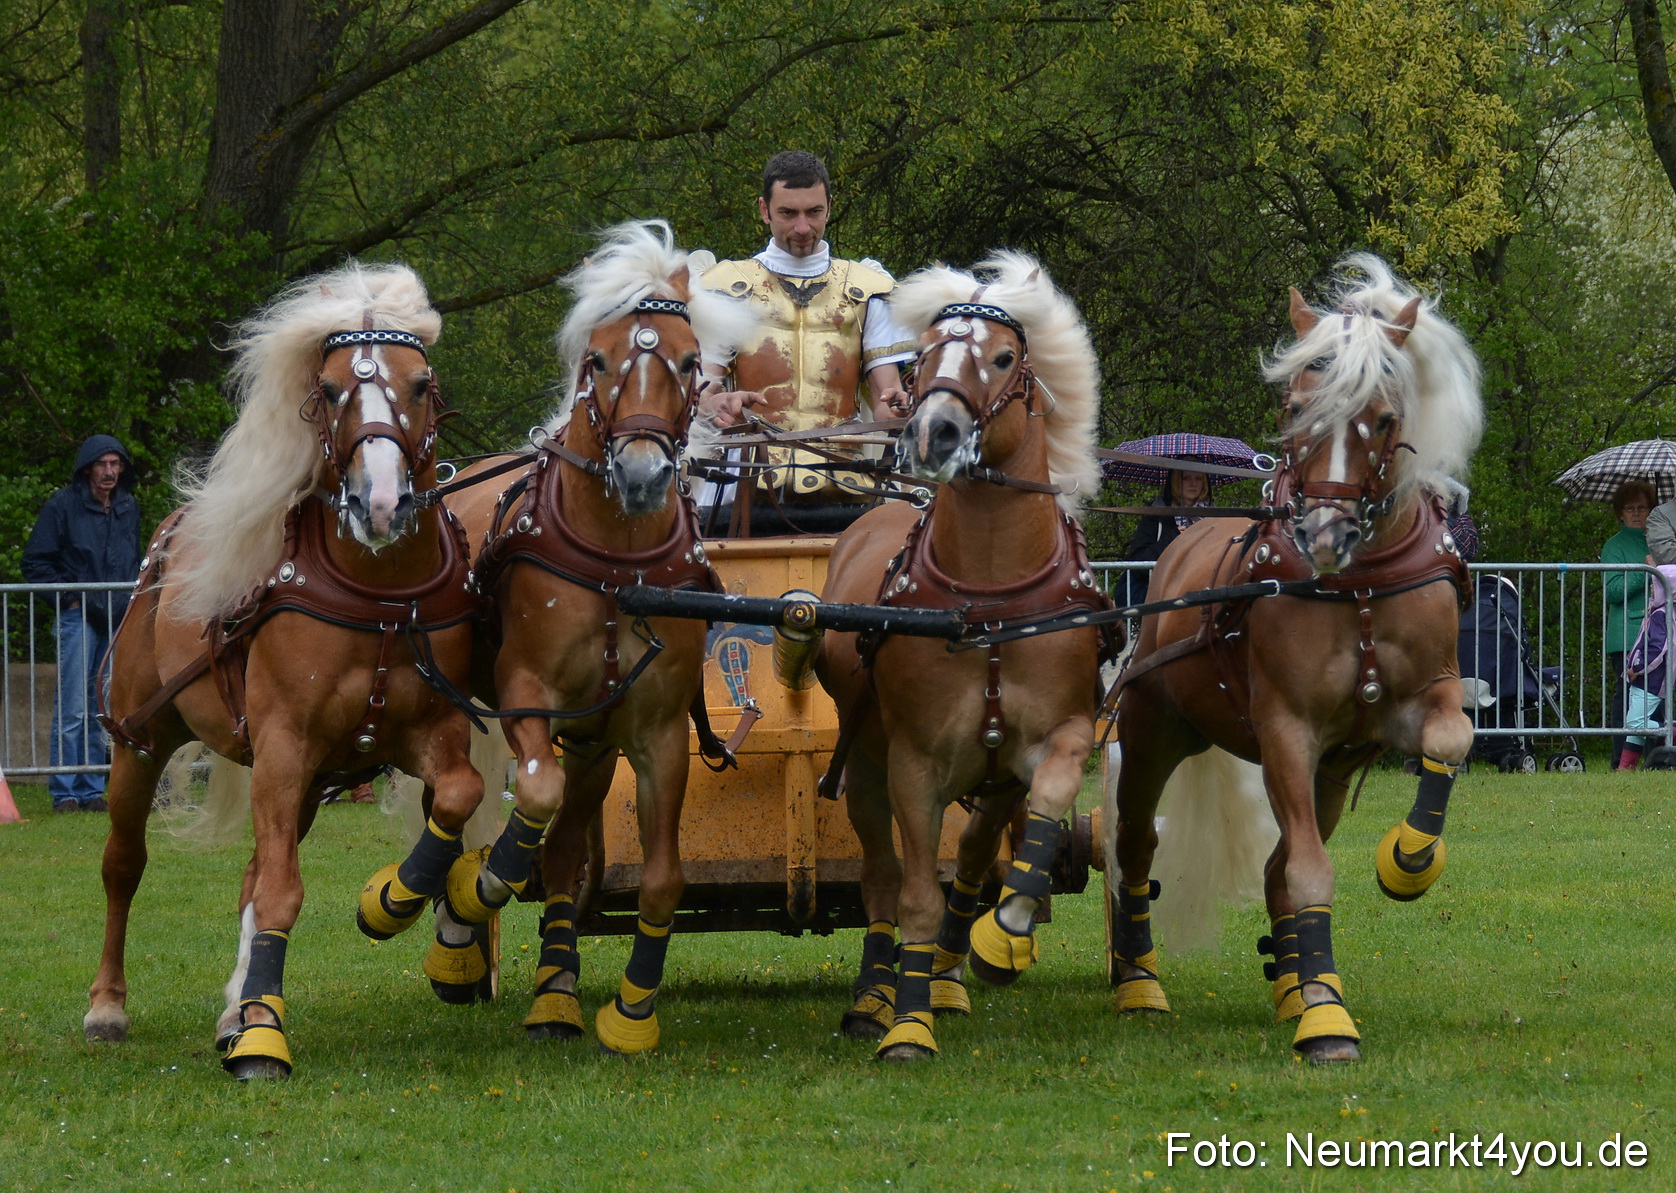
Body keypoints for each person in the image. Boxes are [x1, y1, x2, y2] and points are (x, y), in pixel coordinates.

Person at [693, 150, 918, 534]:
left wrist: (904, 408)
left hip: (848, 483)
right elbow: (701, 393)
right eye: (788, 213)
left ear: (830, 207)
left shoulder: (867, 289)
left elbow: (886, 406)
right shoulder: (726, 288)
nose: (801, 227)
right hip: (746, 488)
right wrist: (716, 403)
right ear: (764, 210)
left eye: (813, 212)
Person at [21, 434, 142, 812]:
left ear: (122, 468)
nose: (109, 471)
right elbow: (35, 564)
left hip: (115, 616)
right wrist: (72, 599)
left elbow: (133, 560)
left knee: (101, 707)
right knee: (72, 707)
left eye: (115, 464)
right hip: (78, 617)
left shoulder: (127, 506)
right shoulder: (63, 505)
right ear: (88, 467)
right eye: (102, 464)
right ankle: (65, 791)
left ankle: (91, 789)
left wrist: (128, 604)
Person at [1602, 481, 1654, 769]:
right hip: (1626, 636)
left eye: (1642, 507)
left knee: (1659, 697)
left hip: (1662, 634)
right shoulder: (1614, 546)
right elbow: (1612, 591)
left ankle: (1660, 757)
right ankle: (1618, 759)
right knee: (1627, 697)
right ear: (1620, 514)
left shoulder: (1662, 540)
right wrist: (1646, 570)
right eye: (1630, 508)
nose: (1636, 513)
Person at [1119, 468, 1213, 605]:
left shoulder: (1215, 518)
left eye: (1198, 478)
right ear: (1175, 482)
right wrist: (1173, 540)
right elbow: (1137, 562)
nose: (1193, 484)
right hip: (1163, 600)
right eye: (1186, 478)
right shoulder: (1155, 516)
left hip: (1206, 596)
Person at [1620, 563, 1676, 771]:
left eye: (1655, 585)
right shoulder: (1663, 612)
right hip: (1649, 677)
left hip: (1651, 678)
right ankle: (1626, 768)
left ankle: (1672, 731)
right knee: (1636, 724)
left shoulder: (1662, 614)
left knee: (1635, 723)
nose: (1651, 589)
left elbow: (1659, 647)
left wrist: (1638, 667)